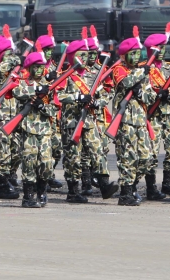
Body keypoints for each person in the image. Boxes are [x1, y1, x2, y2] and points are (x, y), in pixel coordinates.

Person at [111, 35, 158, 206]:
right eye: (133, 53)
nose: (137, 57)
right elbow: (125, 83)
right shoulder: (119, 69)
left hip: (140, 120)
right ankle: (126, 192)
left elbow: (151, 96)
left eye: (138, 53)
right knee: (128, 157)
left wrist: (141, 93)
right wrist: (141, 73)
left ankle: (132, 185)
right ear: (124, 55)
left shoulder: (142, 72)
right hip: (125, 121)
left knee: (147, 157)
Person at [12, 49, 56, 207]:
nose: (39, 70)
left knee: (46, 163)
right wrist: (36, 90)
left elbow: (55, 109)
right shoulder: (23, 83)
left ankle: (42, 192)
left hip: (44, 129)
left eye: (41, 67)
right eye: (35, 67)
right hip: (28, 129)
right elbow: (17, 91)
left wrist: (43, 106)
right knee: (29, 163)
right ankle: (28, 196)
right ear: (29, 68)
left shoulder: (50, 85)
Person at [143, 31, 170, 196]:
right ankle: (151, 188)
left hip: (168, 116)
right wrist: (155, 96)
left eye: (163, 47)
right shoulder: (144, 69)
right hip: (151, 117)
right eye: (158, 48)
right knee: (151, 153)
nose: (162, 51)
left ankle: (168, 183)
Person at [56, 38, 97, 203]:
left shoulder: (91, 74)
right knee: (73, 157)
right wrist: (78, 97)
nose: (85, 58)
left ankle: (101, 182)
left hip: (89, 120)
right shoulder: (65, 75)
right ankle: (73, 191)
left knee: (97, 152)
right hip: (71, 121)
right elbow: (57, 96)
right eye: (82, 55)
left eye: (87, 55)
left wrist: (96, 100)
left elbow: (102, 93)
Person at [81, 28, 119, 199]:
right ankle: (85, 183)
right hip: (80, 116)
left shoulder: (100, 70)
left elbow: (109, 90)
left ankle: (103, 183)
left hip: (98, 114)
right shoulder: (75, 71)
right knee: (81, 153)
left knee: (99, 149)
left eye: (93, 53)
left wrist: (99, 101)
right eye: (88, 53)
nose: (91, 56)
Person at [0, 32, 21, 199]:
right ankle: (1, 183)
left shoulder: (14, 67)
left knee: (17, 150)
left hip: (14, 113)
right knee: (2, 150)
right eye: (7, 53)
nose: (11, 56)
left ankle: (7, 176)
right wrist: (12, 60)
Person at [34, 27, 63, 190]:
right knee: (38, 151)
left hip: (53, 111)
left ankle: (49, 174)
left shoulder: (53, 66)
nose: (50, 53)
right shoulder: (33, 65)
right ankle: (40, 180)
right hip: (37, 114)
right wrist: (45, 78)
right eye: (47, 50)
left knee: (56, 147)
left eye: (51, 50)